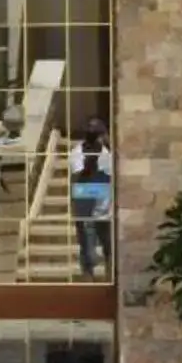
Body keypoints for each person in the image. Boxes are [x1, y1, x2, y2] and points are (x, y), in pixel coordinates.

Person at [69, 117, 114, 279]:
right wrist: (91, 161)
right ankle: (88, 284)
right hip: (86, 211)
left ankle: (110, 282)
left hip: (106, 210)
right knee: (88, 253)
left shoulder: (107, 152)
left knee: (110, 249)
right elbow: (79, 181)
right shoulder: (78, 153)